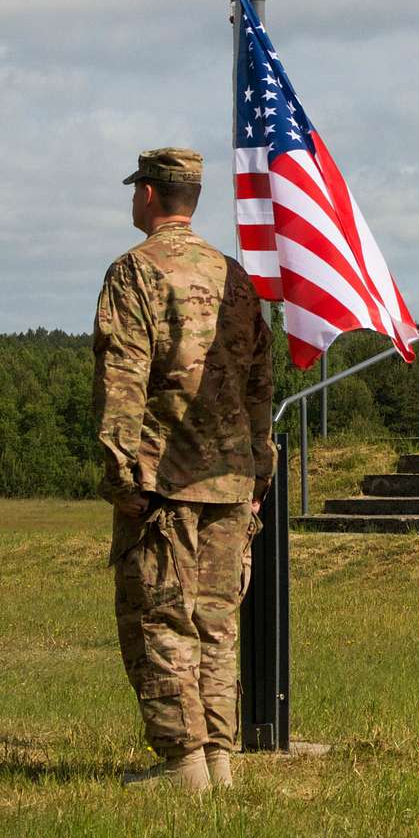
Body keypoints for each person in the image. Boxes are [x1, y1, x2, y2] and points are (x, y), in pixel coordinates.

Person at [93, 147, 274, 792]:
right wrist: (259, 471)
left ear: (147, 194)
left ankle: (184, 763)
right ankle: (219, 758)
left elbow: (122, 384)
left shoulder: (136, 274)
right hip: (231, 479)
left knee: (162, 619)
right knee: (217, 622)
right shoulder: (236, 279)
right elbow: (260, 387)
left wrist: (123, 480)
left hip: (164, 482)